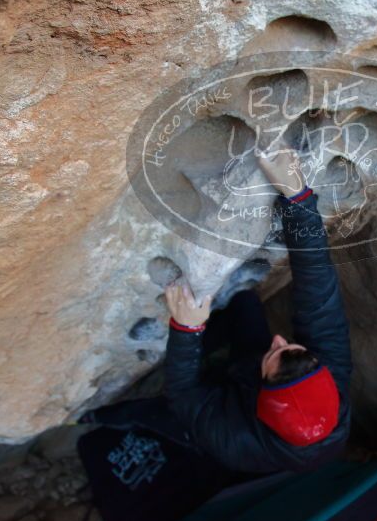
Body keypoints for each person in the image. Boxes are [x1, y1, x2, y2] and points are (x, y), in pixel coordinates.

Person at [82, 145, 352, 474]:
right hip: (248, 373)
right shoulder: (329, 381)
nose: (279, 338)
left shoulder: (234, 441)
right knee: (246, 303)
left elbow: (183, 394)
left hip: (213, 413)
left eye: (276, 353)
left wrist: (186, 330)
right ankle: (211, 339)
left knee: (154, 414)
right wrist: (299, 199)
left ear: (264, 391)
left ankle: (95, 417)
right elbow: (316, 284)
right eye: (290, 346)